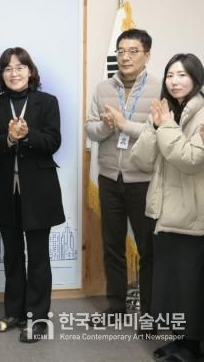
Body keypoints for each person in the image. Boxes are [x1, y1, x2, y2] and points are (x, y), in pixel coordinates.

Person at [0, 47, 65, 343]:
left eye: (19, 67)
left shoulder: (47, 102)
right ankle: (14, 312)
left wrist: (27, 135)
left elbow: (53, 141)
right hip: (4, 192)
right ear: (1, 74)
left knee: (38, 258)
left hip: (39, 193)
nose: (14, 73)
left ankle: (38, 318)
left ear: (30, 71)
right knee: (12, 255)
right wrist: (8, 138)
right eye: (8, 68)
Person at [85, 29, 161, 325]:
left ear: (147, 55)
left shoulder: (159, 88)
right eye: (120, 51)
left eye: (132, 51)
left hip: (144, 180)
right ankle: (116, 308)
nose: (125, 57)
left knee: (147, 250)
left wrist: (123, 123)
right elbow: (90, 129)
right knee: (112, 246)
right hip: (109, 178)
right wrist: (106, 126)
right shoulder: (103, 88)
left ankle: (149, 315)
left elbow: (159, 133)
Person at [131, 53, 204, 362]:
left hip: (192, 214)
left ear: (196, 78)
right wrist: (154, 125)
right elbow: (141, 160)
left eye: (182, 75)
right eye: (170, 75)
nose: (174, 81)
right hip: (163, 211)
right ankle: (178, 340)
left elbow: (190, 160)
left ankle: (191, 346)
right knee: (171, 283)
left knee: (190, 284)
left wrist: (166, 126)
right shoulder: (165, 112)